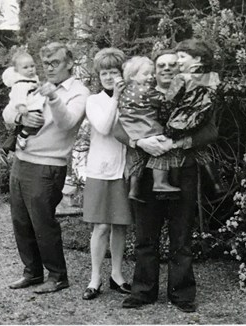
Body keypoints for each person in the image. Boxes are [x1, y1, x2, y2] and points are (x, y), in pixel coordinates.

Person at [115, 42, 219, 313]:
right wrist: (140, 143)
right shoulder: (140, 93)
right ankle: (143, 291)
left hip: (183, 170)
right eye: (161, 65)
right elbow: (118, 129)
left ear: (180, 68)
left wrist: (175, 143)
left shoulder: (194, 93)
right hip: (146, 173)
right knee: (145, 236)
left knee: (181, 235)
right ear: (154, 70)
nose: (167, 69)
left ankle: (182, 294)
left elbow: (210, 133)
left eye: (173, 64)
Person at [3, 42, 90, 293]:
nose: (49, 69)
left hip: (47, 165)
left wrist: (52, 96)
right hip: (22, 160)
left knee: (43, 223)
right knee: (21, 221)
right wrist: (22, 117)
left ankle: (58, 275)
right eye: (46, 64)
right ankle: (32, 272)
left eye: (55, 63)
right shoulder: (34, 85)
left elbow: (67, 123)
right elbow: (8, 113)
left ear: (70, 63)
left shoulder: (78, 92)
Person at [81, 47, 133, 300]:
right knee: (101, 226)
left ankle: (117, 275)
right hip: (101, 169)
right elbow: (103, 127)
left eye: (114, 71)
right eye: (104, 73)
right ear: (98, 76)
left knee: (120, 226)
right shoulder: (94, 101)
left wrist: (124, 99)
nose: (110, 77)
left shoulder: (133, 98)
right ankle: (95, 279)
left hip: (125, 170)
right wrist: (115, 100)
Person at [117, 56, 181, 201]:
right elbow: (163, 101)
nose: (150, 77)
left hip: (133, 130)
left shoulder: (125, 92)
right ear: (132, 76)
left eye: (152, 74)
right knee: (161, 151)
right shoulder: (146, 90)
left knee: (136, 159)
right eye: (146, 74)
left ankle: (133, 191)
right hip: (147, 128)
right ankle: (160, 183)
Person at [0, 51, 42, 161]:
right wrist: (21, 106)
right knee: (31, 122)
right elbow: (18, 96)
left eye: (32, 66)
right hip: (25, 108)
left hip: (32, 106)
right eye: (26, 67)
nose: (30, 69)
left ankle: (8, 147)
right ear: (17, 70)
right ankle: (22, 137)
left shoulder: (33, 79)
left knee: (23, 127)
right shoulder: (21, 82)